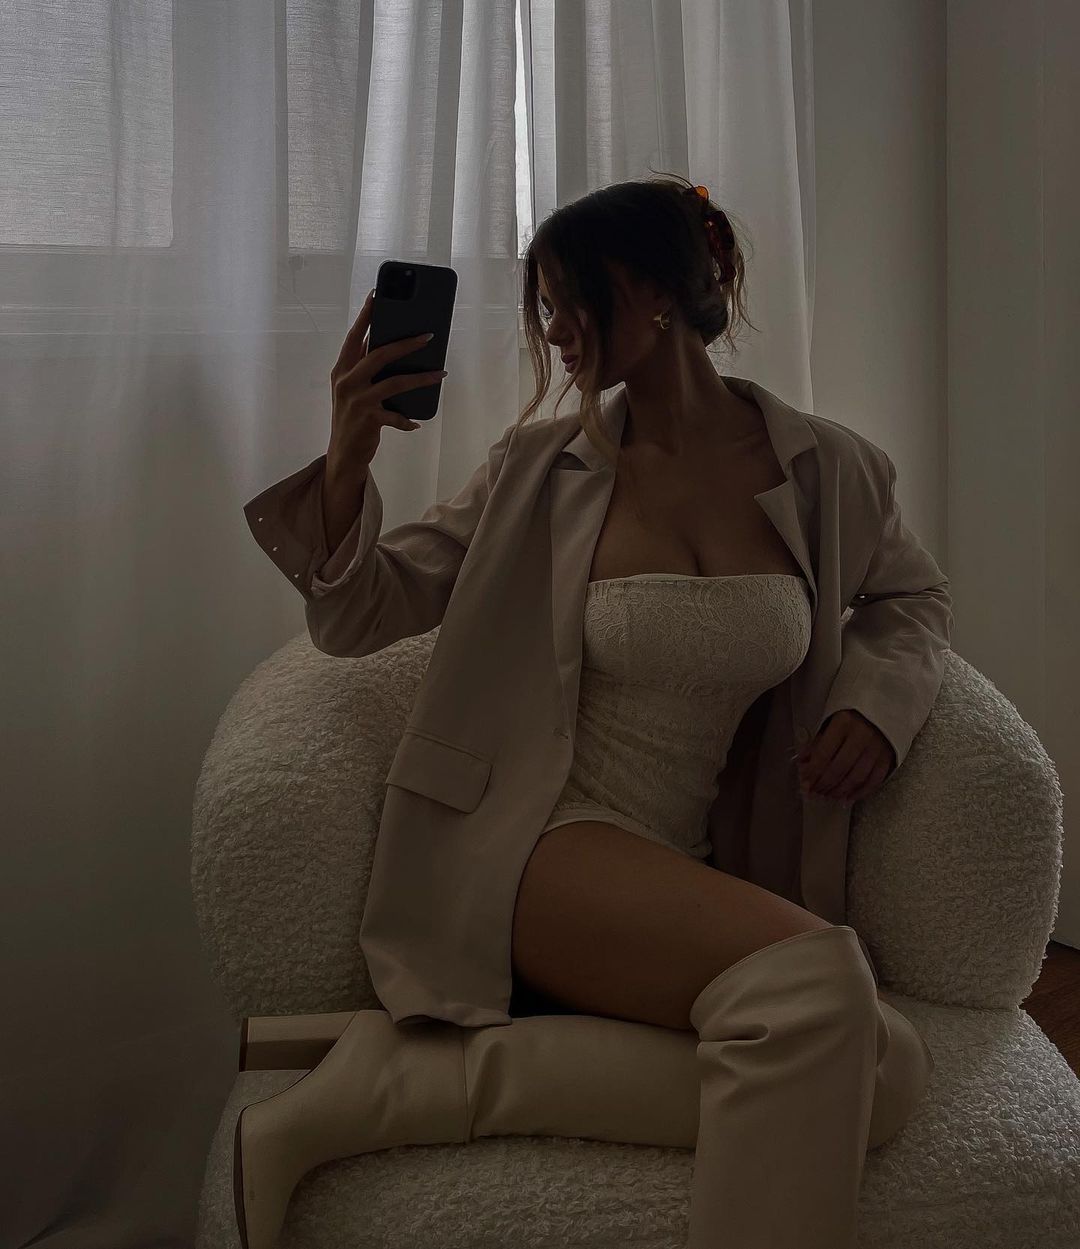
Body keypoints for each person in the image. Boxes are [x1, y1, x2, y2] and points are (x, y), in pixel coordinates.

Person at [235, 173, 937, 1249]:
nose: (555, 330)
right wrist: (347, 457)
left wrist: (876, 706)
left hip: (690, 861)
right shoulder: (537, 469)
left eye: (569, 301)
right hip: (531, 838)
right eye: (546, 308)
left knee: (886, 1071)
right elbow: (362, 611)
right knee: (821, 990)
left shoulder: (829, 469)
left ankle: (399, 1084)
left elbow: (912, 598)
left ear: (653, 290)